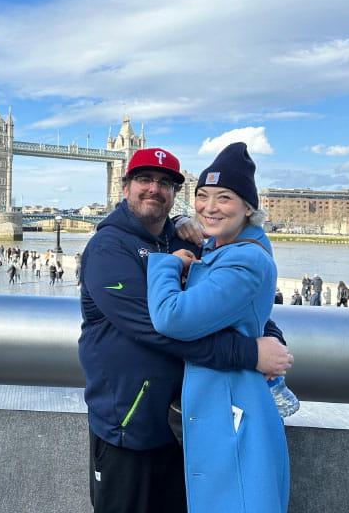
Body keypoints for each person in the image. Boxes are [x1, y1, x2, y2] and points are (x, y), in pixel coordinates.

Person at [79, 146, 292, 513]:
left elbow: (225, 305)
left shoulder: (182, 240)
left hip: (186, 425)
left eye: (165, 183)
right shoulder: (107, 250)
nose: (154, 189)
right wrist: (249, 353)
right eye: (144, 179)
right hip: (128, 427)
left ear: (175, 194)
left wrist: (269, 332)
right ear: (125, 185)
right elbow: (159, 329)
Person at [146, 142, 289, 512]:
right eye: (202, 196)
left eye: (224, 197)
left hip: (232, 406)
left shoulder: (244, 262)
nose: (209, 207)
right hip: (220, 401)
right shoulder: (224, 247)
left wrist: (164, 264)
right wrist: (182, 226)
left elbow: (171, 318)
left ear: (248, 207)